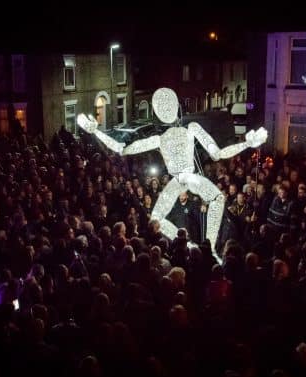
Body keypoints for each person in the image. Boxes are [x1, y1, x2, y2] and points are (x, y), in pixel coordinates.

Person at [77, 87, 267, 255]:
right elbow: (122, 148)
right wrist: (96, 132)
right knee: (164, 215)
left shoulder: (178, 132)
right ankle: (195, 246)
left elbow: (121, 148)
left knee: (214, 199)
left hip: (184, 178)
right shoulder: (168, 135)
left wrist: (247, 144)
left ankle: (205, 246)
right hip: (183, 178)